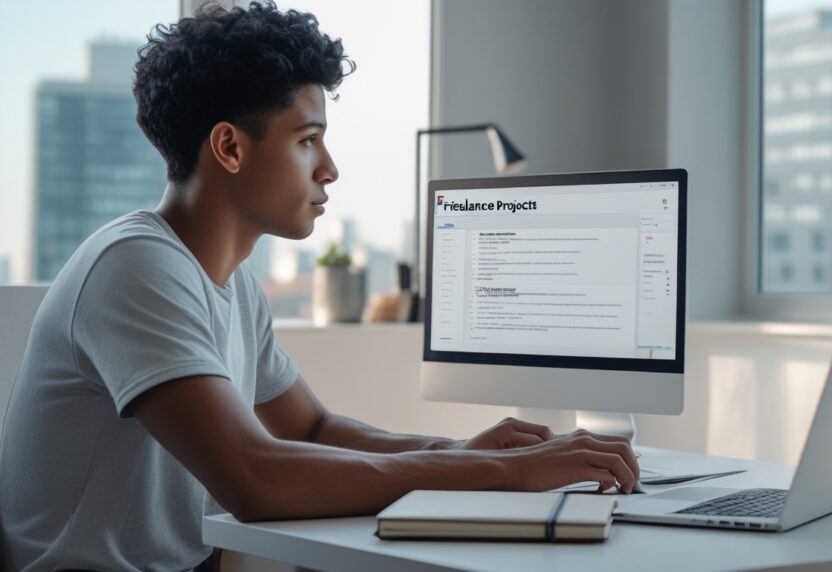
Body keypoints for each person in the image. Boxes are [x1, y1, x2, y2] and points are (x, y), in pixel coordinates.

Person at [0, 2, 638, 570]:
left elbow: (309, 429)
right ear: (228, 147)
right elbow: (256, 476)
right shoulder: (135, 267)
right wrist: (496, 475)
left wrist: (460, 451)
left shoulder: (230, 284)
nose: (330, 169)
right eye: (308, 141)